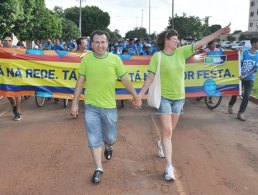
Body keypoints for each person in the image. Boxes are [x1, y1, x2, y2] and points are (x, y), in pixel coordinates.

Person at [135, 24, 231, 181]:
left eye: (177, 40)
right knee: (167, 131)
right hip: (164, 98)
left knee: (170, 131)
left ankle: (161, 144)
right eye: (174, 40)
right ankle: (169, 167)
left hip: (179, 98)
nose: (177, 42)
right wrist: (140, 95)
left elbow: (202, 42)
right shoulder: (157, 57)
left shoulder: (181, 52)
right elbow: (150, 78)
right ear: (166, 40)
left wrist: (220, 32)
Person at [71, 30, 141, 184]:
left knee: (109, 137)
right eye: (96, 42)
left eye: (103, 42)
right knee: (93, 138)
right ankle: (98, 168)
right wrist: (75, 102)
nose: (100, 45)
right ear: (92, 44)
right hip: (91, 106)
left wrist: (136, 96)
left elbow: (125, 79)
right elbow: (80, 82)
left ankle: (109, 146)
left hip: (109, 106)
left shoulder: (115, 59)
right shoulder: (86, 60)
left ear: (107, 43)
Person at [228, 37, 258, 121]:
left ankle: (240, 113)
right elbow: (238, 63)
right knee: (235, 93)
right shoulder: (244, 52)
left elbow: (255, 69)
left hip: (250, 78)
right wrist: (240, 75)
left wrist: (246, 75)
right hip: (240, 77)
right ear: (253, 43)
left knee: (246, 96)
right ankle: (231, 104)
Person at [2, 32, 22, 121]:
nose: (7, 42)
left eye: (9, 40)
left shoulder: (17, 49)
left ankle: (18, 112)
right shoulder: (1, 50)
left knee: (17, 93)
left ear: (12, 41)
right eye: (5, 41)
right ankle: (14, 105)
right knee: (7, 93)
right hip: (6, 75)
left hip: (16, 74)